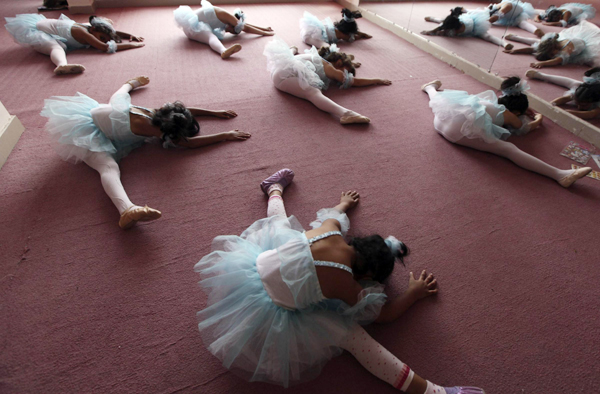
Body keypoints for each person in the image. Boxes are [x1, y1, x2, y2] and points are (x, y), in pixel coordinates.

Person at [195, 167, 486, 394]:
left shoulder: (331, 230)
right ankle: (431, 390)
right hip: (274, 311)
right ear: (369, 276)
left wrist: (344, 203)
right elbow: (382, 316)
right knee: (353, 337)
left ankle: (273, 189)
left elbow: (334, 214)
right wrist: (412, 293)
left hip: (252, 268)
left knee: (280, 226)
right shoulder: (347, 285)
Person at [41, 76, 251, 229]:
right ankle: (126, 209)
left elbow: (183, 115)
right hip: (84, 133)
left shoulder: (156, 115)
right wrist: (225, 135)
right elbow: (190, 143)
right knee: (108, 167)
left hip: (102, 119)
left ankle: (128, 209)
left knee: (111, 164)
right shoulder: (150, 124)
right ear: (169, 135)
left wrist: (214, 113)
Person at [422, 77, 592, 187]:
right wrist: (539, 120)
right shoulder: (511, 116)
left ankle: (430, 88)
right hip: (456, 133)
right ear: (518, 111)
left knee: (441, 99)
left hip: (439, 121)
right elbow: (524, 128)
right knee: (509, 149)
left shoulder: (487, 100)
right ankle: (559, 175)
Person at [264, 37, 391, 125]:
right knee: (313, 92)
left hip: (277, 71)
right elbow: (354, 82)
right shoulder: (328, 67)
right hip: (282, 77)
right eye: (344, 72)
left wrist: (293, 49)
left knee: (312, 88)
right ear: (339, 63)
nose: (344, 76)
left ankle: (346, 114)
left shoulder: (315, 58)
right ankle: (345, 113)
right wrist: (376, 80)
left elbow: (291, 57)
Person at [5, 14, 144, 75]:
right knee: (57, 47)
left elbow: (113, 32)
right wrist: (131, 46)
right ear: (94, 29)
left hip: (52, 27)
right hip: (37, 31)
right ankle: (61, 66)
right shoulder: (83, 32)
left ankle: (62, 64)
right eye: (101, 37)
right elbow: (105, 48)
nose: (103, 40)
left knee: (62, 45)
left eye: (105, 38)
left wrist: (130, 35)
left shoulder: (90, 27)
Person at [174, 1, 274, 59]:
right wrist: (264, 33)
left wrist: (263, 28)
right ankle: (223, 51)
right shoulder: (227, 16)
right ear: (234, 23)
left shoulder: (229, 20)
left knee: (210, 35)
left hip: (190, 29)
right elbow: (245, 28)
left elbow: (244, 25)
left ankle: (223, 51)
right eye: (233, 31)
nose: (229, 32)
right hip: (192, 27)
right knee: (211, 37)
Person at [503, 21, 600, 68]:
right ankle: (517, 37)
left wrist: (542, 64)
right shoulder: (554, 46)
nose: (552, 56)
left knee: (595, 63)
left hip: (583, 45)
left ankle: (517, 37)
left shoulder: (567, 47)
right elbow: (533, 49)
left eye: (552, 55)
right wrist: (515, 51)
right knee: (538, 44)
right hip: (566, 39)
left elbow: (558, 60)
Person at [526, 67, 600, 119]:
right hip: (590, 87)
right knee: (575, 83)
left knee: (576, 84)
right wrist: (550, 105)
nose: (579, 108)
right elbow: (564, 99)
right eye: (578, 104)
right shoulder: (580, 90)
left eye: (583, 105)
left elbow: (592, 114)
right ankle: (541, 75)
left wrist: (568, 112)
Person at [422, 7, 513, 49]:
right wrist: (431, 32)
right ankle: (434, 18)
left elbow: (447, 31)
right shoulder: (453, 24)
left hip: (475, 26)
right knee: (442, 21)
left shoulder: (457, 28)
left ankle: (504, 44)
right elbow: (442, 26)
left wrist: (441, 33)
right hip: (463, 21)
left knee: (487, 37)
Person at [300, 8, 372, 49]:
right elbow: (353, 38)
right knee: (327, 47)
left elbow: (352, 33)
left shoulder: (336, 27)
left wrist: (360, 33)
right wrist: (362, 35)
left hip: (308, 29)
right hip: (308, 37)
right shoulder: (344, 35)